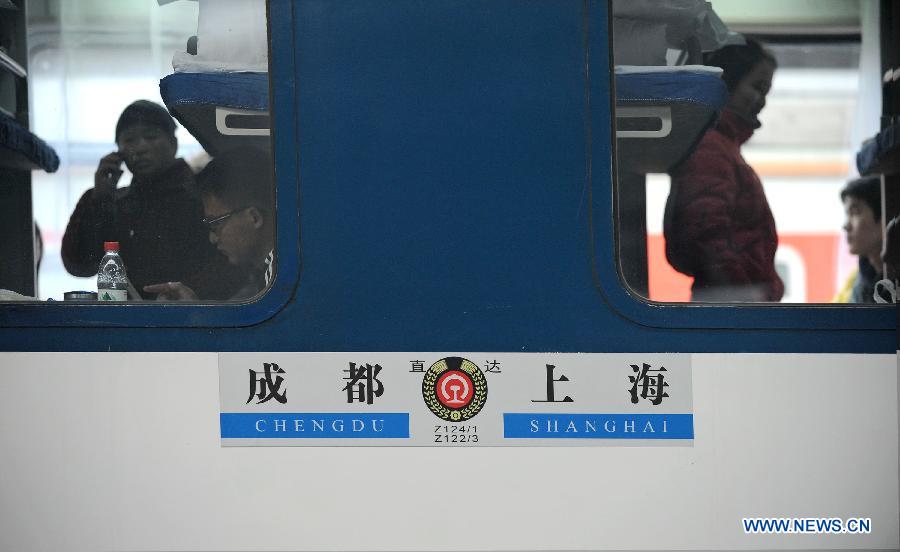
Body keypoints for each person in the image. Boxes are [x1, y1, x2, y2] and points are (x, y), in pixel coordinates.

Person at [61, 100, 243, 299]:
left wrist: (192, 295)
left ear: (173, 143)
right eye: (129, 140)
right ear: (118, 152)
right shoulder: (114, 202)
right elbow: (79, 265)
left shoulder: (204, 194)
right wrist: (98, 199)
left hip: (194, 313)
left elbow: (235, 261)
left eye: (151, 136)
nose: (140, 148)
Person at [663, 39, 784, 302]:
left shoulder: (722, 145)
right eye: (757, 87)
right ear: (728, 83)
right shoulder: (711, 147)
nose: (761, 101)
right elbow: (706, 232)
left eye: (766, 91)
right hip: (731, 302)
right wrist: (745, 296)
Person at [143, 147, 275, 301]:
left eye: (216, 224)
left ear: (254, 218)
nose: (213, 238)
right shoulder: (269, 278)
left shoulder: (284, 281)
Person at [832, 176, 883, 303]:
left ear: (884, 218)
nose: (846, 225)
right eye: (847, 214)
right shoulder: (859, 279)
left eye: (855, 212)